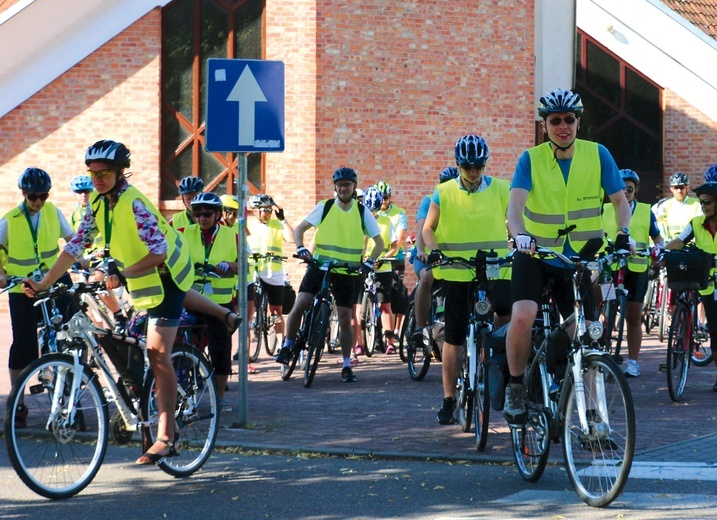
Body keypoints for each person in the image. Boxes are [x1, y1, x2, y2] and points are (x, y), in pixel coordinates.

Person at [23, 139, 240, 465]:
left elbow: (159, 253)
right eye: (92, 172)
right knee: (124, 333)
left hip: (166, 276)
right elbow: (75, 245)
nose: (97, 178)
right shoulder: (98, 202)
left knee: (157, 353)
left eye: (105, 172)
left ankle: (166, 436)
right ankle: (218, 317)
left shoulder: (135, 203)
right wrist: (43, 283)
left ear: (120, 172)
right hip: (143, 281)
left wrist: (122, 273)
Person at [504, 88, 632, 425]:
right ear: (544, 125)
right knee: (522, 316)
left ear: (578, 122)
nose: (563, 126)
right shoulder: (530, 159)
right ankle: (516, 386)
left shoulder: (598, 154)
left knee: (586, 332)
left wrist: (623, 234)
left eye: (569, 120)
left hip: (578, 261)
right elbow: (515, 208)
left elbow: (620, 202)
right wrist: (520, 235)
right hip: (536, 255)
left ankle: (592, 413)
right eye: (555, 120)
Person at [423, 135, 512, 425]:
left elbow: (517, 219)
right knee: (454, 336)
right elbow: (428, 229)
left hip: (496, 269)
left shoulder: (501, 189)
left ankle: (508, 376)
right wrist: (434, 251)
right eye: (467, 166)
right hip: (456, 271)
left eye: (478, 166)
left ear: (485, 164)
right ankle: (449, 399)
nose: (473, 172)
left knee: (507, 320)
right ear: (458, 164)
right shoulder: (443, 192)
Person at [274, 167, 384, 383]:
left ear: (354, 187)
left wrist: (370, 261)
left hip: (348, 271)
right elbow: (300, 229)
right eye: (340, 185)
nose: (343, 188)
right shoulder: (324, 207)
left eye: (347, 185)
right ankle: (287, 345)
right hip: (320, 265)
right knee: (301, 303)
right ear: (335, 187)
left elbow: (379, 242)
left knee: (345, 318)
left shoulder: (362, 212)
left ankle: (346, 364)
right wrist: (301, 247)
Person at [0, 168, 75, 428]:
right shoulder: (9, 220)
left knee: (71, 329)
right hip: (24, 288)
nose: (39, 201)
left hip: (54, 280)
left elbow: (71, 239)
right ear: (24, 194)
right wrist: (1, 274)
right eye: (34, 197)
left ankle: (69, 395)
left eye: (44, 195)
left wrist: (84, 260)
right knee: (24, 344)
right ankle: (17, 401)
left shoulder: (53, 211)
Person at [180, 192, 239, 411]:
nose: (202, 218)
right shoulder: (183, 233)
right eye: (197, 214)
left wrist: (228, 266)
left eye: (207, 214)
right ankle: (183, 389)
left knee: (220, 349)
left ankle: (220, 397)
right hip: (192, 299)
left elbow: (244, 265)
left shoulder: (232, 236)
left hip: (219, 303)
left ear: (217, 215)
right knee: (181, 343)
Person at [603, 169, 664, 377]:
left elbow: (658, 238)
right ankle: (602, 354)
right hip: (610, 269)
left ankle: (633, 362)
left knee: (634, 316)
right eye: (621, 188)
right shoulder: (604, 210)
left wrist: (658, 249)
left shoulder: (646, 211)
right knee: (605, 313)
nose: (625, 192)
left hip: (637, 269)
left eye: (629, 188)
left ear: (636, 190)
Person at [666, 163, 717, 392]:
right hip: (708, 286)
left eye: (708, 202)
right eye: (702, 202)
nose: (703, 206)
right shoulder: (697, 223)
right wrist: (661, 251)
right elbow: (680, 240)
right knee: (715, 333)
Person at [410, 166, 459, 348]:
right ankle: (420, 327)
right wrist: (421, 251)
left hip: (450, 257)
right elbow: (423, 226)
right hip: (427, 255)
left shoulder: (461, 204)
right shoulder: (430, 200)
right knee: (427, 276)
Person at [246, 193, 295, 352]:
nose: (267, 213)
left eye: (269, 210)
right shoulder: (248, 224)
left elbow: (291, 238)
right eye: (264, 210)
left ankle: (282, 344)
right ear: (255, 211)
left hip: (274, 273)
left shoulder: (276, 224)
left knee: (276, 312)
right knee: (249, 308)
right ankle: (245, 348)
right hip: (254, 271)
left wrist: (282, 219)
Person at [362, 186, 400, 353]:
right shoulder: (361, 220)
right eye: (370, 210)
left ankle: (390, 340)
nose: (373, 213)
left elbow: (394, 246)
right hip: (364, 265)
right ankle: (360, 343)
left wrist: (384, 257)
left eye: (375, 210)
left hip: (382, 267)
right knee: (359, 306)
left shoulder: (386, 222)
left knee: (385, 305)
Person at [375, 181, 409, 336]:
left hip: (395, 257)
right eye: (381, 198)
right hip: (376, 257)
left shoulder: (398, 212)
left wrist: (388, 254)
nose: (383, 201)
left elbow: (400, 239)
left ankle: (397, 329)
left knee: (397, 290)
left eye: (386, 197)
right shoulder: (373, 212)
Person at [654, 172, 702, 240]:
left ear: (687, 188)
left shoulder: (697, 204)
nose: (679, 191)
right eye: (676, 187)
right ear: (671, 189)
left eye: (681, 187)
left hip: (692, 246)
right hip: (672, 245)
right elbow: (659, 227)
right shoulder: (665, 205)